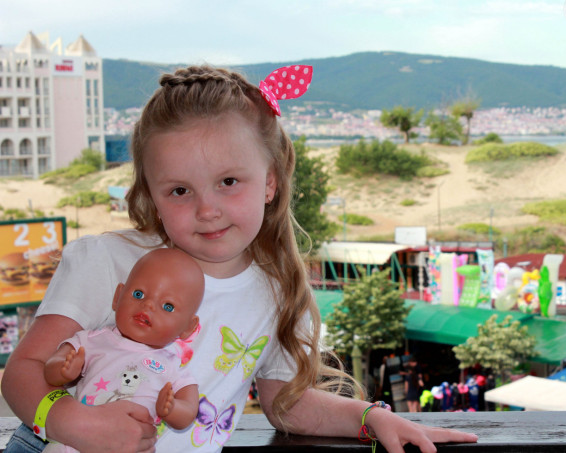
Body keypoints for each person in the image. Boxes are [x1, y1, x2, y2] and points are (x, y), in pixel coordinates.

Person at [1, 64, 478, 453]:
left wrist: (370, 417)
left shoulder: (276, 291)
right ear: (152, 194)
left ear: (270, 182)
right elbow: (23, 371)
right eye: (180, 190)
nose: (207, 210)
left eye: (228, 182)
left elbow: (288, 406)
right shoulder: (108, 260)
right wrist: (72, 422)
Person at [42, 248, 205, 451]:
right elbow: (50, 369)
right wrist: (63, 369)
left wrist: (172, 408)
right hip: (77, 442)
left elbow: (188, 412)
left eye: (168, 306)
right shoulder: (93, 340)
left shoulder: (172, 366)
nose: (148, 305)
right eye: (139, 294)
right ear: (118, 297)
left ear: (188, 327)